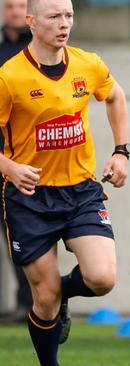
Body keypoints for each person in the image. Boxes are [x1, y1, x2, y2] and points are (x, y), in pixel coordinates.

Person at [0, 0, 130, 364]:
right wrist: (8, 167)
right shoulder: (9, 77)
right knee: (44, 299)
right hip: (29, 199)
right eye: (54, 16)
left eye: (69, 16)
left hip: (80, 191)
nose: (64, 24)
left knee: (102, 278)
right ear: (31, 21)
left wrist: (121, 150)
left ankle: (65, 294)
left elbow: (115, 96)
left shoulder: (88, 64)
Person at [0, 0, 34, 325]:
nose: (15, 11)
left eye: (21, 5)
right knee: (11, 238)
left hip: (27, 162)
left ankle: (36, 303)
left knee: (27, 236)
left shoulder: (39, 52)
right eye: (10, 5)